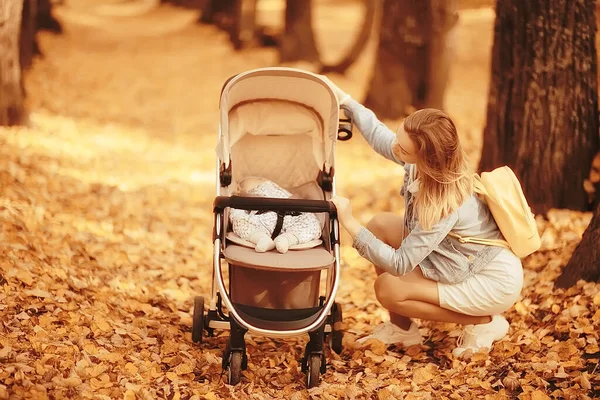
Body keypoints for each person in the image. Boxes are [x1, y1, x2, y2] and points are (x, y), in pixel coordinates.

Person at [326, 80, 524, 358]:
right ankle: (404, 330)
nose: (395, 149)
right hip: (456, 259)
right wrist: (345, 100)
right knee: (381, 226)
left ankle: (485, 322)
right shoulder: (419, 162)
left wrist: (349, 222)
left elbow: (400, 264)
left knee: (388, 288)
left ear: (428, 158)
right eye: (399, 139)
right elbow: (381, 138)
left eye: (403, 150)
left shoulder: (445, 202)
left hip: (489, 279)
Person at [230, 177, 322, 253]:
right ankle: (261, 238)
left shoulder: (282, 191)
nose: (261, 180)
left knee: (311, 221)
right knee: (239, 220)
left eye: (260, 179)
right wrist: (243, 195)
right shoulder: (251, 193)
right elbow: (249, 203)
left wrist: (295, 198)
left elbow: (298, 199)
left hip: (291, 216)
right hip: (261, 218)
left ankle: (287, 239)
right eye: (257, 180)